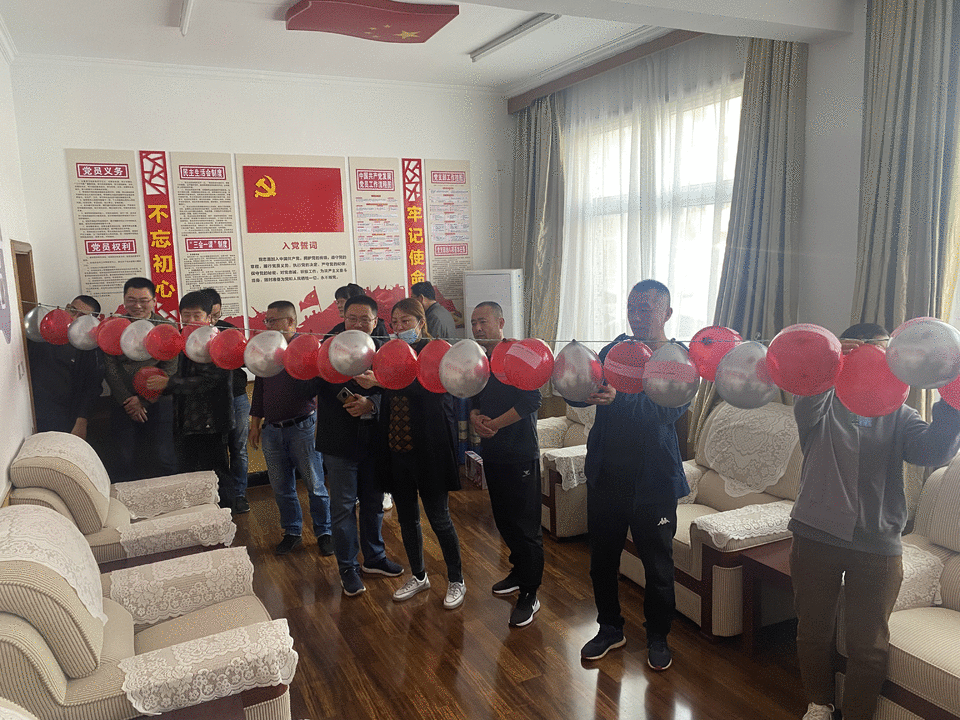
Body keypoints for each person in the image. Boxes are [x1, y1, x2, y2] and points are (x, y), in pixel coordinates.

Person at [790, 322, 960, 720]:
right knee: (813, 630)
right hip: (815, 535)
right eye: (859, 351)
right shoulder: (820, 405)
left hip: (877, 543)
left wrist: (951, 397)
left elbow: (933, 451)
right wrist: (828, 365)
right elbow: (807, 397)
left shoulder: (900, 414)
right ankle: (819, 703)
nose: (871, 360)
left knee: (869, 645)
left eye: (881, 352)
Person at [575, 279, 688, 670]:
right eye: (631, 307)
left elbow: (665, 412)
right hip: (607, 475)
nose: (637, 316)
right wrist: (577, 389)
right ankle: (610, 628)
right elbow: (587, 389)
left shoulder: (678, 360)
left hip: (654, 481)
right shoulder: (614, 350)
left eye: (646, 309)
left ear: (667, 313)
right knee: (602, 561)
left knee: (658, 566)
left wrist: (618, 399)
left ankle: (658, 636)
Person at [357, 297, 465, 609]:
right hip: (396, 447)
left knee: (439, 518)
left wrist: (384, 382)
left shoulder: (435, 351)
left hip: (429, 449)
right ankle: (419, 576)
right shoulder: (389, 352)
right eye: (395, 322)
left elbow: (431, 391)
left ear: (421, 323)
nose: (400, 327)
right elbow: (388, 395)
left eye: (406, 321)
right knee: (407, 519)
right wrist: (380, 383)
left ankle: (457, 580)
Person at [306, 295, 404, 596]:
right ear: (343, 318)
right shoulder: (328, 346)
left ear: (375, 321)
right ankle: (347, 567)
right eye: (352, 318)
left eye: (365, 319)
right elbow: (311, 386)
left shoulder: (385, 350)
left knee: (374, 503)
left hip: (374, 441)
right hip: (339, 441)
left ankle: (374, 558)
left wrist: (372, 403)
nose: (358, 324)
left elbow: (396, 389)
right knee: (343, 508)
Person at [470, 301, 544, 627]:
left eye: (483, 322)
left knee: (526, 526)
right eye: (474, 323)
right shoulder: (479, 359)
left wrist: (495, 424)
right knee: (504, 519)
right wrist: (476, 417)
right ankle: (518, 571)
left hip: (520, 452)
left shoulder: (518, 354)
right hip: (493, 451)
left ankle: (530, 592)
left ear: (500, 323)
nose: (477, 328)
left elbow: (532, 400)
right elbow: (474, 397)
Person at [248, 300, 333, 556]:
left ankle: (325, 532)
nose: (268, 326)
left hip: (302, 426)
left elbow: (317, 389)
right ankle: (292, 532)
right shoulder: (267, 350)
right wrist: (255, 424)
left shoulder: (305, 348)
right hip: (272, 430)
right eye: (266, 321)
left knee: (315, 484)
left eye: (273, 321)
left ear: (291, 322)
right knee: (281, 486)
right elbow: (260, 389)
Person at [146, 291, 234, 508]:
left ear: (209, 317)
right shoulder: (181, 339)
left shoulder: (217, 342)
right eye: (186, 315)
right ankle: (198, 518)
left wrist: (169, 383)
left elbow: (211, 380)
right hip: (184, 422)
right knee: (189, 476)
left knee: (216, 475)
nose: (191, 320)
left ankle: (225, 517)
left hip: (211, 423)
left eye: (197, 315)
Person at [102, 277, 179, 482]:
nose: (137, 306)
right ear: (124, 300)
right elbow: (110, 368)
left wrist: (143, 401)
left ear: (154, 301)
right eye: (131, 300)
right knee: (124, 458)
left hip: (159, 402)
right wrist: (128, 401)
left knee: (164, 456)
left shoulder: (166, 327)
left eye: (144, 300)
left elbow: (170, 369)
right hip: (123, 403)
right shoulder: (114, 327)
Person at [201, 288, 252, 514]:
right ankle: (219, 496)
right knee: (215, 449)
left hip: (236, 395)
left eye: (217, 315)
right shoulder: (191, 334)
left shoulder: (229, 330)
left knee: (238, 448)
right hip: (208, 400)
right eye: (210, 315)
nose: (213, 320)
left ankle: (239, 495)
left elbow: (245, 360)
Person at [28, 295, 103, 439]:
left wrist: (81, 421)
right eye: (72, 310)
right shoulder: (44, 331)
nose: (73, 317)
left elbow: (92, 386)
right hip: (32, 410)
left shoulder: (88, 346)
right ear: (67, 307)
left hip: (66, 415)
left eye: (81, 316)